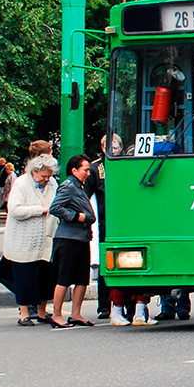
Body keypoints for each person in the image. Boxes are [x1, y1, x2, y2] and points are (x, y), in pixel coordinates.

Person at [3, 155, 58, 326]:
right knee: (24, 278)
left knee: (45, 277)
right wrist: (41, 210)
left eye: (49, 176)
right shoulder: (21, 183)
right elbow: (15, 210)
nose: (46, 179)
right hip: (23, 240)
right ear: (34, 171)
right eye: (43, 176)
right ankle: (24, 313)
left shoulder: (52, 184)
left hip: (45, 240)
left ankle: (42, 312)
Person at [48, 154, 96, 328]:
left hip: (81, 238)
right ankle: (57, 314)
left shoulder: (80, 187)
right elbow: (55, 208)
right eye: (85, 170)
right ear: (74, 170)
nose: (88, 173)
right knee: (64, 278)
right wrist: (77, 216)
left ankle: (76, 314)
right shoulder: (68, 187)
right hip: (68, 239)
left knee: (82, 279)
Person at [85, 137, 110, 320]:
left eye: (117, 145)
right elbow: (84, 195)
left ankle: (128, 307)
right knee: (105, 264)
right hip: (105, 222)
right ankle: (105, 306)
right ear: (103, 147)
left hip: (126, 220)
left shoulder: (127, 161)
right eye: (110, 145)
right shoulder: (96, 168)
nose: (114, 149)